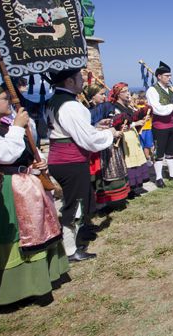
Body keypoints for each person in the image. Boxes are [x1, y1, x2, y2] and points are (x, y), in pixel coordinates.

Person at [0, 84, 69, 312]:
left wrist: (35, 164)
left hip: (24, 185)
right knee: (14, 236)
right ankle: (12, 290)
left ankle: (36, 283)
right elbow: (6, 155)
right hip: (2, 190)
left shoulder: (1, 125)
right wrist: (17, 127)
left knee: (36, 231)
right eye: (4, 98)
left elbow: (21, 154)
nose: (10, 102)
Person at [46, 69, 118, 261]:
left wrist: (95, 128)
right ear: (69, 81)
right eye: (79, 78)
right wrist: (110, 133)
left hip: (61, 159)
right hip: (70, 161)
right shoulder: (70, 105)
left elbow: (70, 131)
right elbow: (88, 140)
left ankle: (78, 234)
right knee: (75, 204)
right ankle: (70, 250)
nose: (83, 82)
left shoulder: (54, 101)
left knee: (76, 201)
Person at [146, 62, 173, 187]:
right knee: (159, 153)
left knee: (171, 151)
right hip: (160, 126)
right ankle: (159, 178)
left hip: (172, 125)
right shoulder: (152, 90)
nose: (169, 78)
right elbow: (156, 109)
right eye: (167, 76)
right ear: (159, 76)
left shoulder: (170, 90)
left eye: (170, 75)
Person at [109, 83, 150, 196]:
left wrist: (141, 119)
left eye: (128, 91)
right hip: (124, 137)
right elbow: (118, 124)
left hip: (132, 136)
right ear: (118, 94)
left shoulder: (128, 106)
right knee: (128, 162)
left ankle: (136, 185)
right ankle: (129, 188)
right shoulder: (115, 107)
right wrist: (136, 123)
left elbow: (132, 119)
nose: (128, 93)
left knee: (136, 160)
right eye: (124, 91)